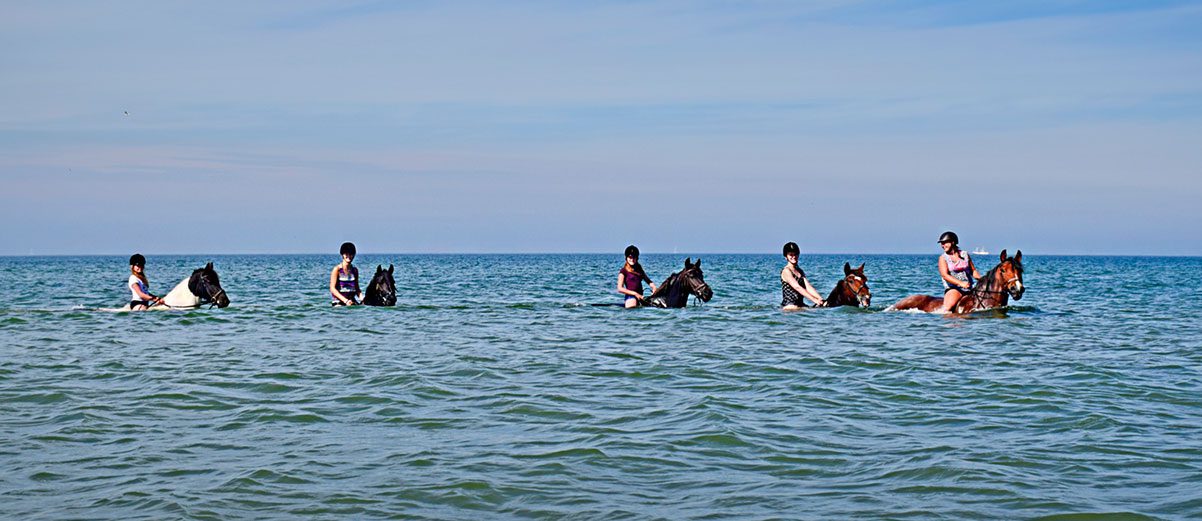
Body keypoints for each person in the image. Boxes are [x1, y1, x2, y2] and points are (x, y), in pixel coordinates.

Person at [937, 231, 982, 313]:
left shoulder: (965, 254)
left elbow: (973, 271)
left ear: (953, 242)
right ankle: (946, 322)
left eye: (944, 243)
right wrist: (961, 283)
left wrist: (983, 279)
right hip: (954, 289)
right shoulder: (943, 258)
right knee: (947, 308)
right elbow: (945, 275)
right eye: (941, 244)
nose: (942, 245)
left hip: (969, 288)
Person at [781, 242, 825, 309]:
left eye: (795, 254)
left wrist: (821, 299)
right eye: (791, 255)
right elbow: (797, 287)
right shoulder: (786, 271)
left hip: (800, 305)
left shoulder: (800, 271)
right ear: (786, 257)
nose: (794, 256)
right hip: (789, 306)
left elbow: (808, 287)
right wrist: (814, 300)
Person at [330, 242, 362, 306]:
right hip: (339, 302)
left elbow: (357, 289)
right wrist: (345, 301)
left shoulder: (355, 270)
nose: (349, 256)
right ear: (342, 255)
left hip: (352, 301)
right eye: (346, 254)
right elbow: (332, 288)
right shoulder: (337, 269)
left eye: (351, 254)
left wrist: (363, 299)